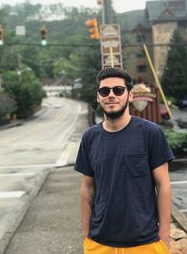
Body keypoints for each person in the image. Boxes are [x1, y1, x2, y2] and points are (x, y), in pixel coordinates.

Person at [74, 67, 174, 254]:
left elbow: (163, 186)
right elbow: (86, 187)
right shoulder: (90, 137)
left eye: (118, 90)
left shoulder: (151, 133)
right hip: (99, 243)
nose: (111, 95)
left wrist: (164, 236)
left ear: (129, 96)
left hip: (145, 243)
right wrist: (86, 234)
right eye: (104, 91)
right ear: (98, 97)